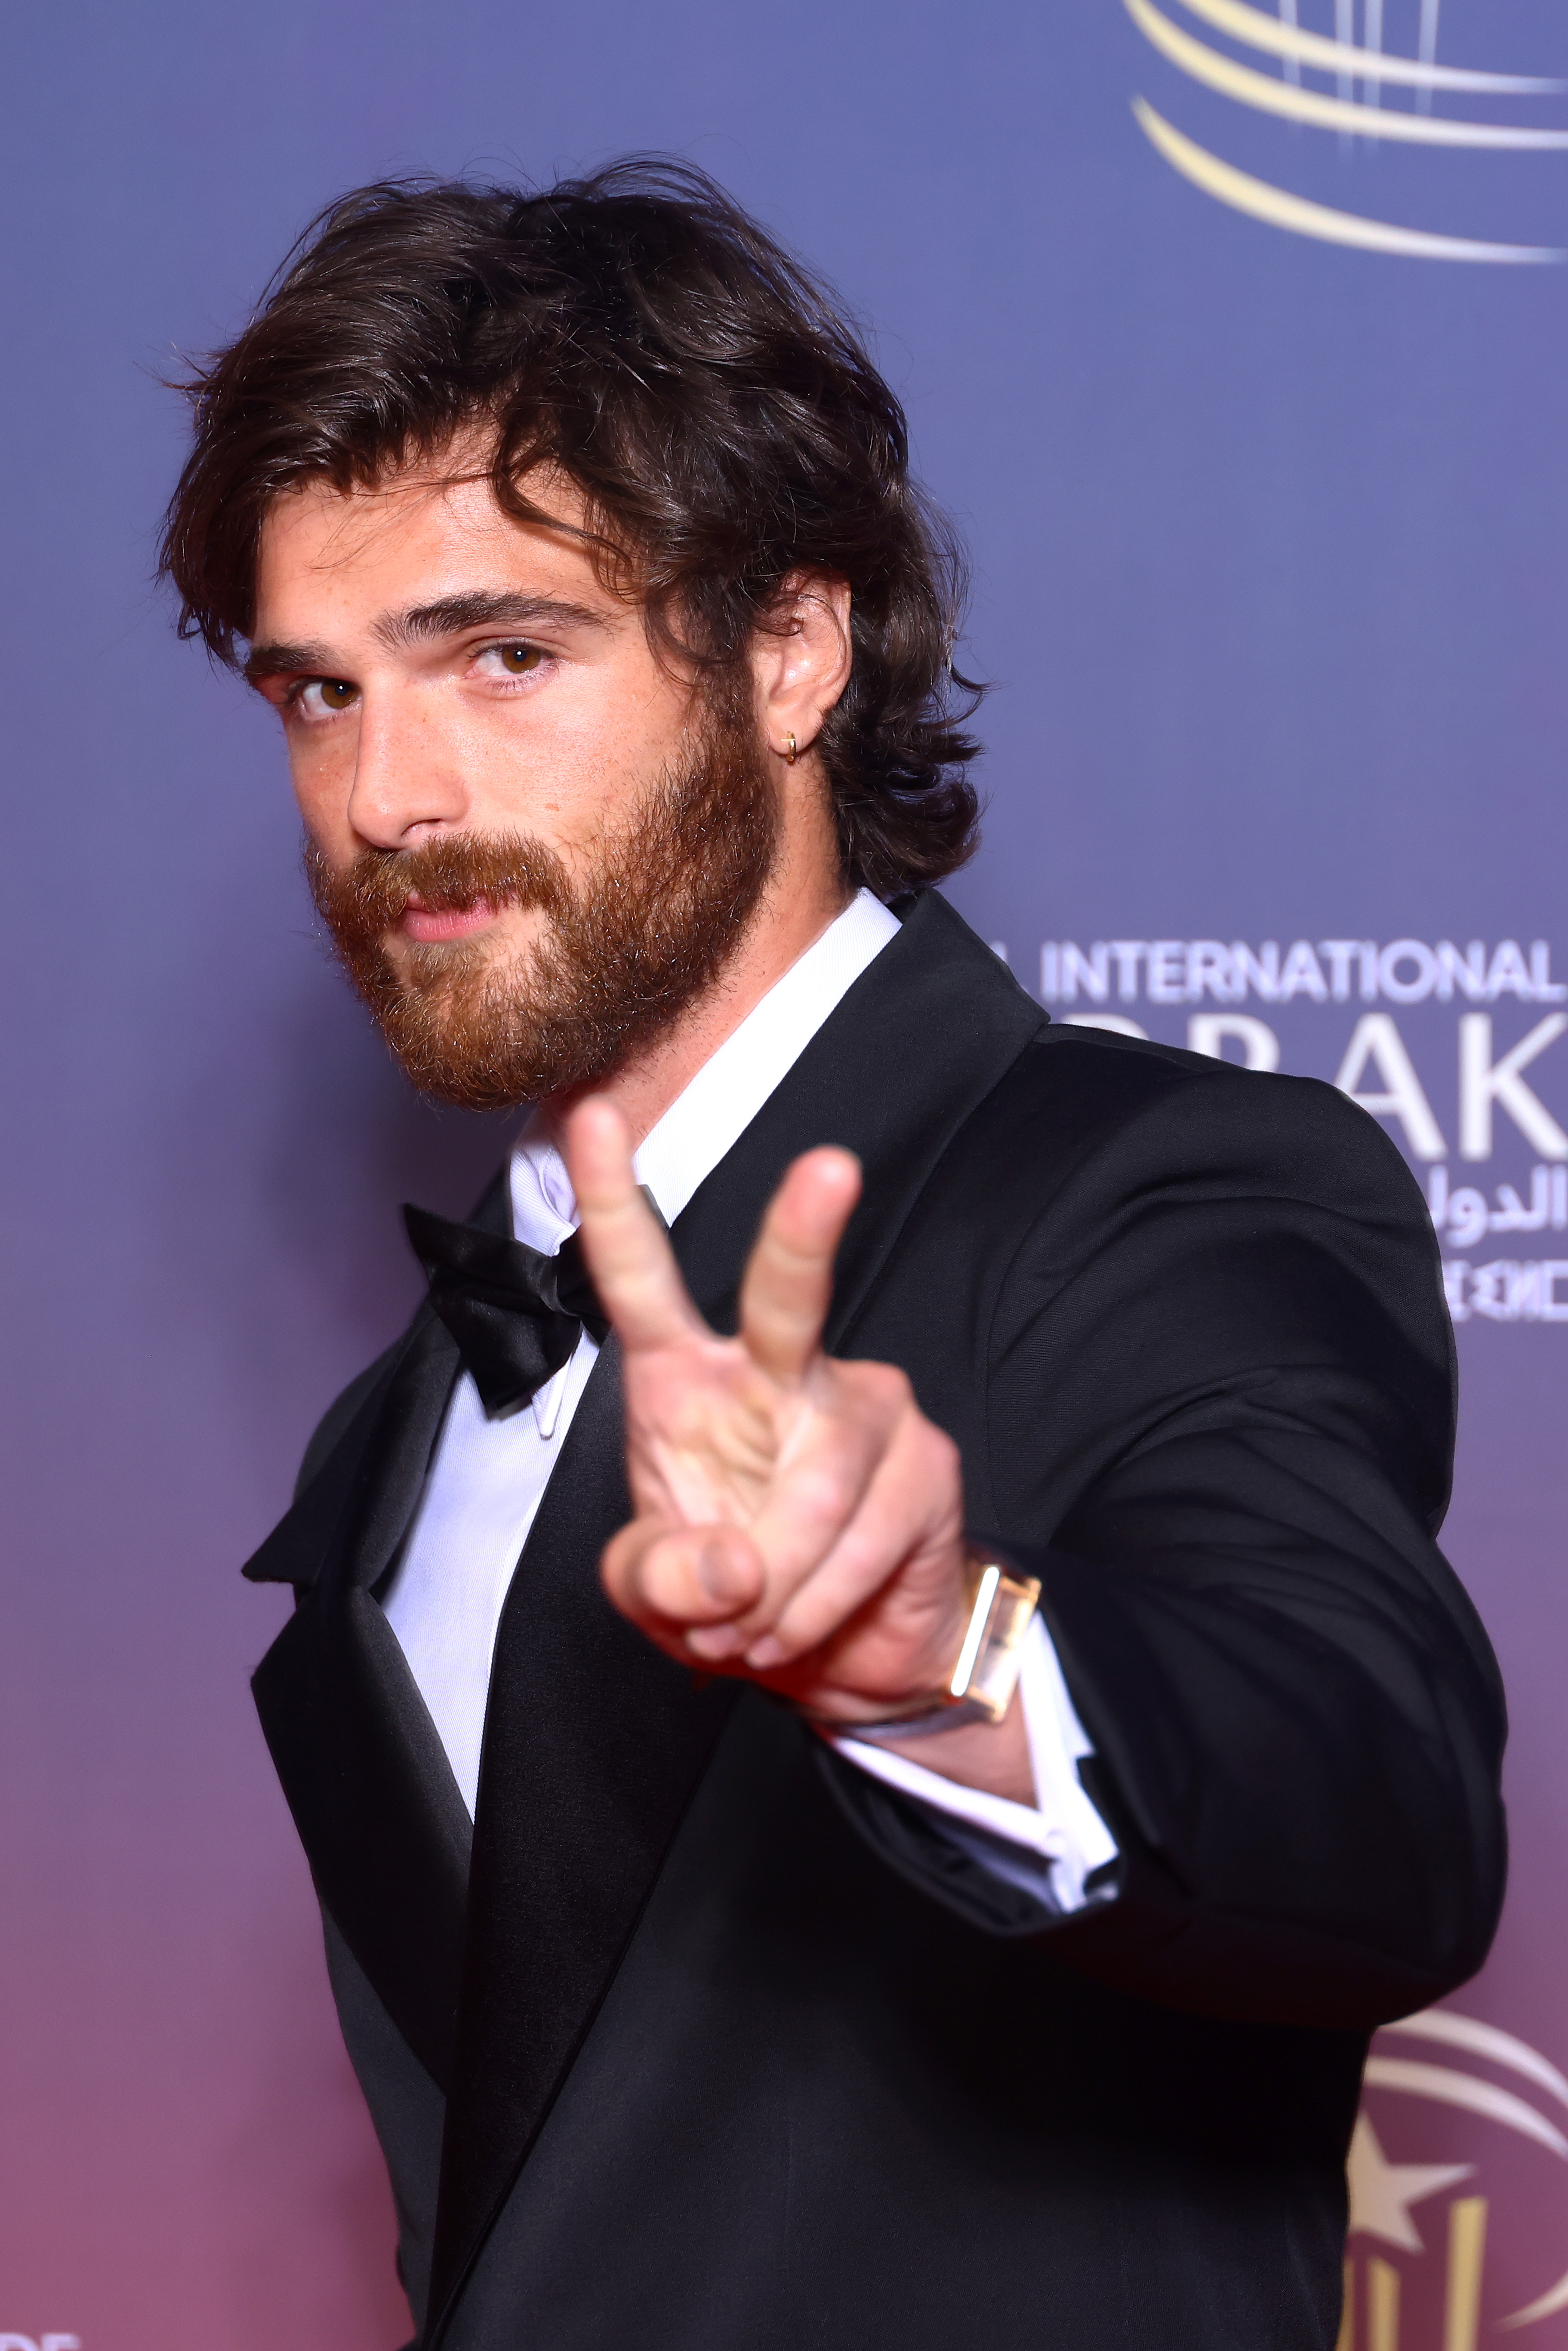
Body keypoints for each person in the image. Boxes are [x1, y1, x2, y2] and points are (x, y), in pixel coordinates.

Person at [160, 160, 1506, 2351]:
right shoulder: (405, 1422)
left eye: (503, 654)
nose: (387, 790)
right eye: (316, 693)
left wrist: (931, 1655)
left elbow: (1374, 1791)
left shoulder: (1159, 1184)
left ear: (792, 647)